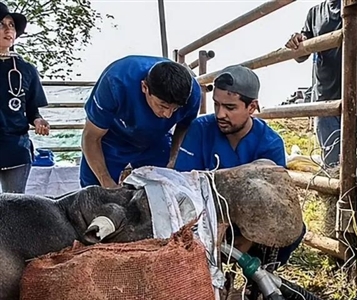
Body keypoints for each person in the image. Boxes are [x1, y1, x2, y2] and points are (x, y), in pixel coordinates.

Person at [174, 65, 302, 268]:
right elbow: (184, 184)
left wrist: (245, 243)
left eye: (230, 107)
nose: (220, 114)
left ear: (252, 107)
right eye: (217, 105)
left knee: (292, 229)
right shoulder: (199, 129)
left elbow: (272, 203)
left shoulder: (270, 143)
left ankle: (261, 279)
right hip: (203, 219)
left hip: (251, 222)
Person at [79, 55, 201, 188]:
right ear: (144, 87)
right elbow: (91, 137)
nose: (168, 115)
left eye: (176, 109)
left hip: (156, 139)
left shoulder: (192, 93)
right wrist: (106, 182)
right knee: (93, 192)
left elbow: (184, 127)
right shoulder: (115, 82)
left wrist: (173, 158)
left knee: (166, 187)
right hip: (112, 138)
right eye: (163, 106)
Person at [0, 3, 50, 194]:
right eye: (1, 24)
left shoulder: (26, 69)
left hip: (16, 148)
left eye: (11, 25)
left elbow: (31, 110)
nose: (8, 29)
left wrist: (38, 120)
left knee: (14, 205)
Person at [285, 0, 342, 167]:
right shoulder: (315, 13)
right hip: (325, 94)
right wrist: (297, 41)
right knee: (332, 162)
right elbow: (301, 55)